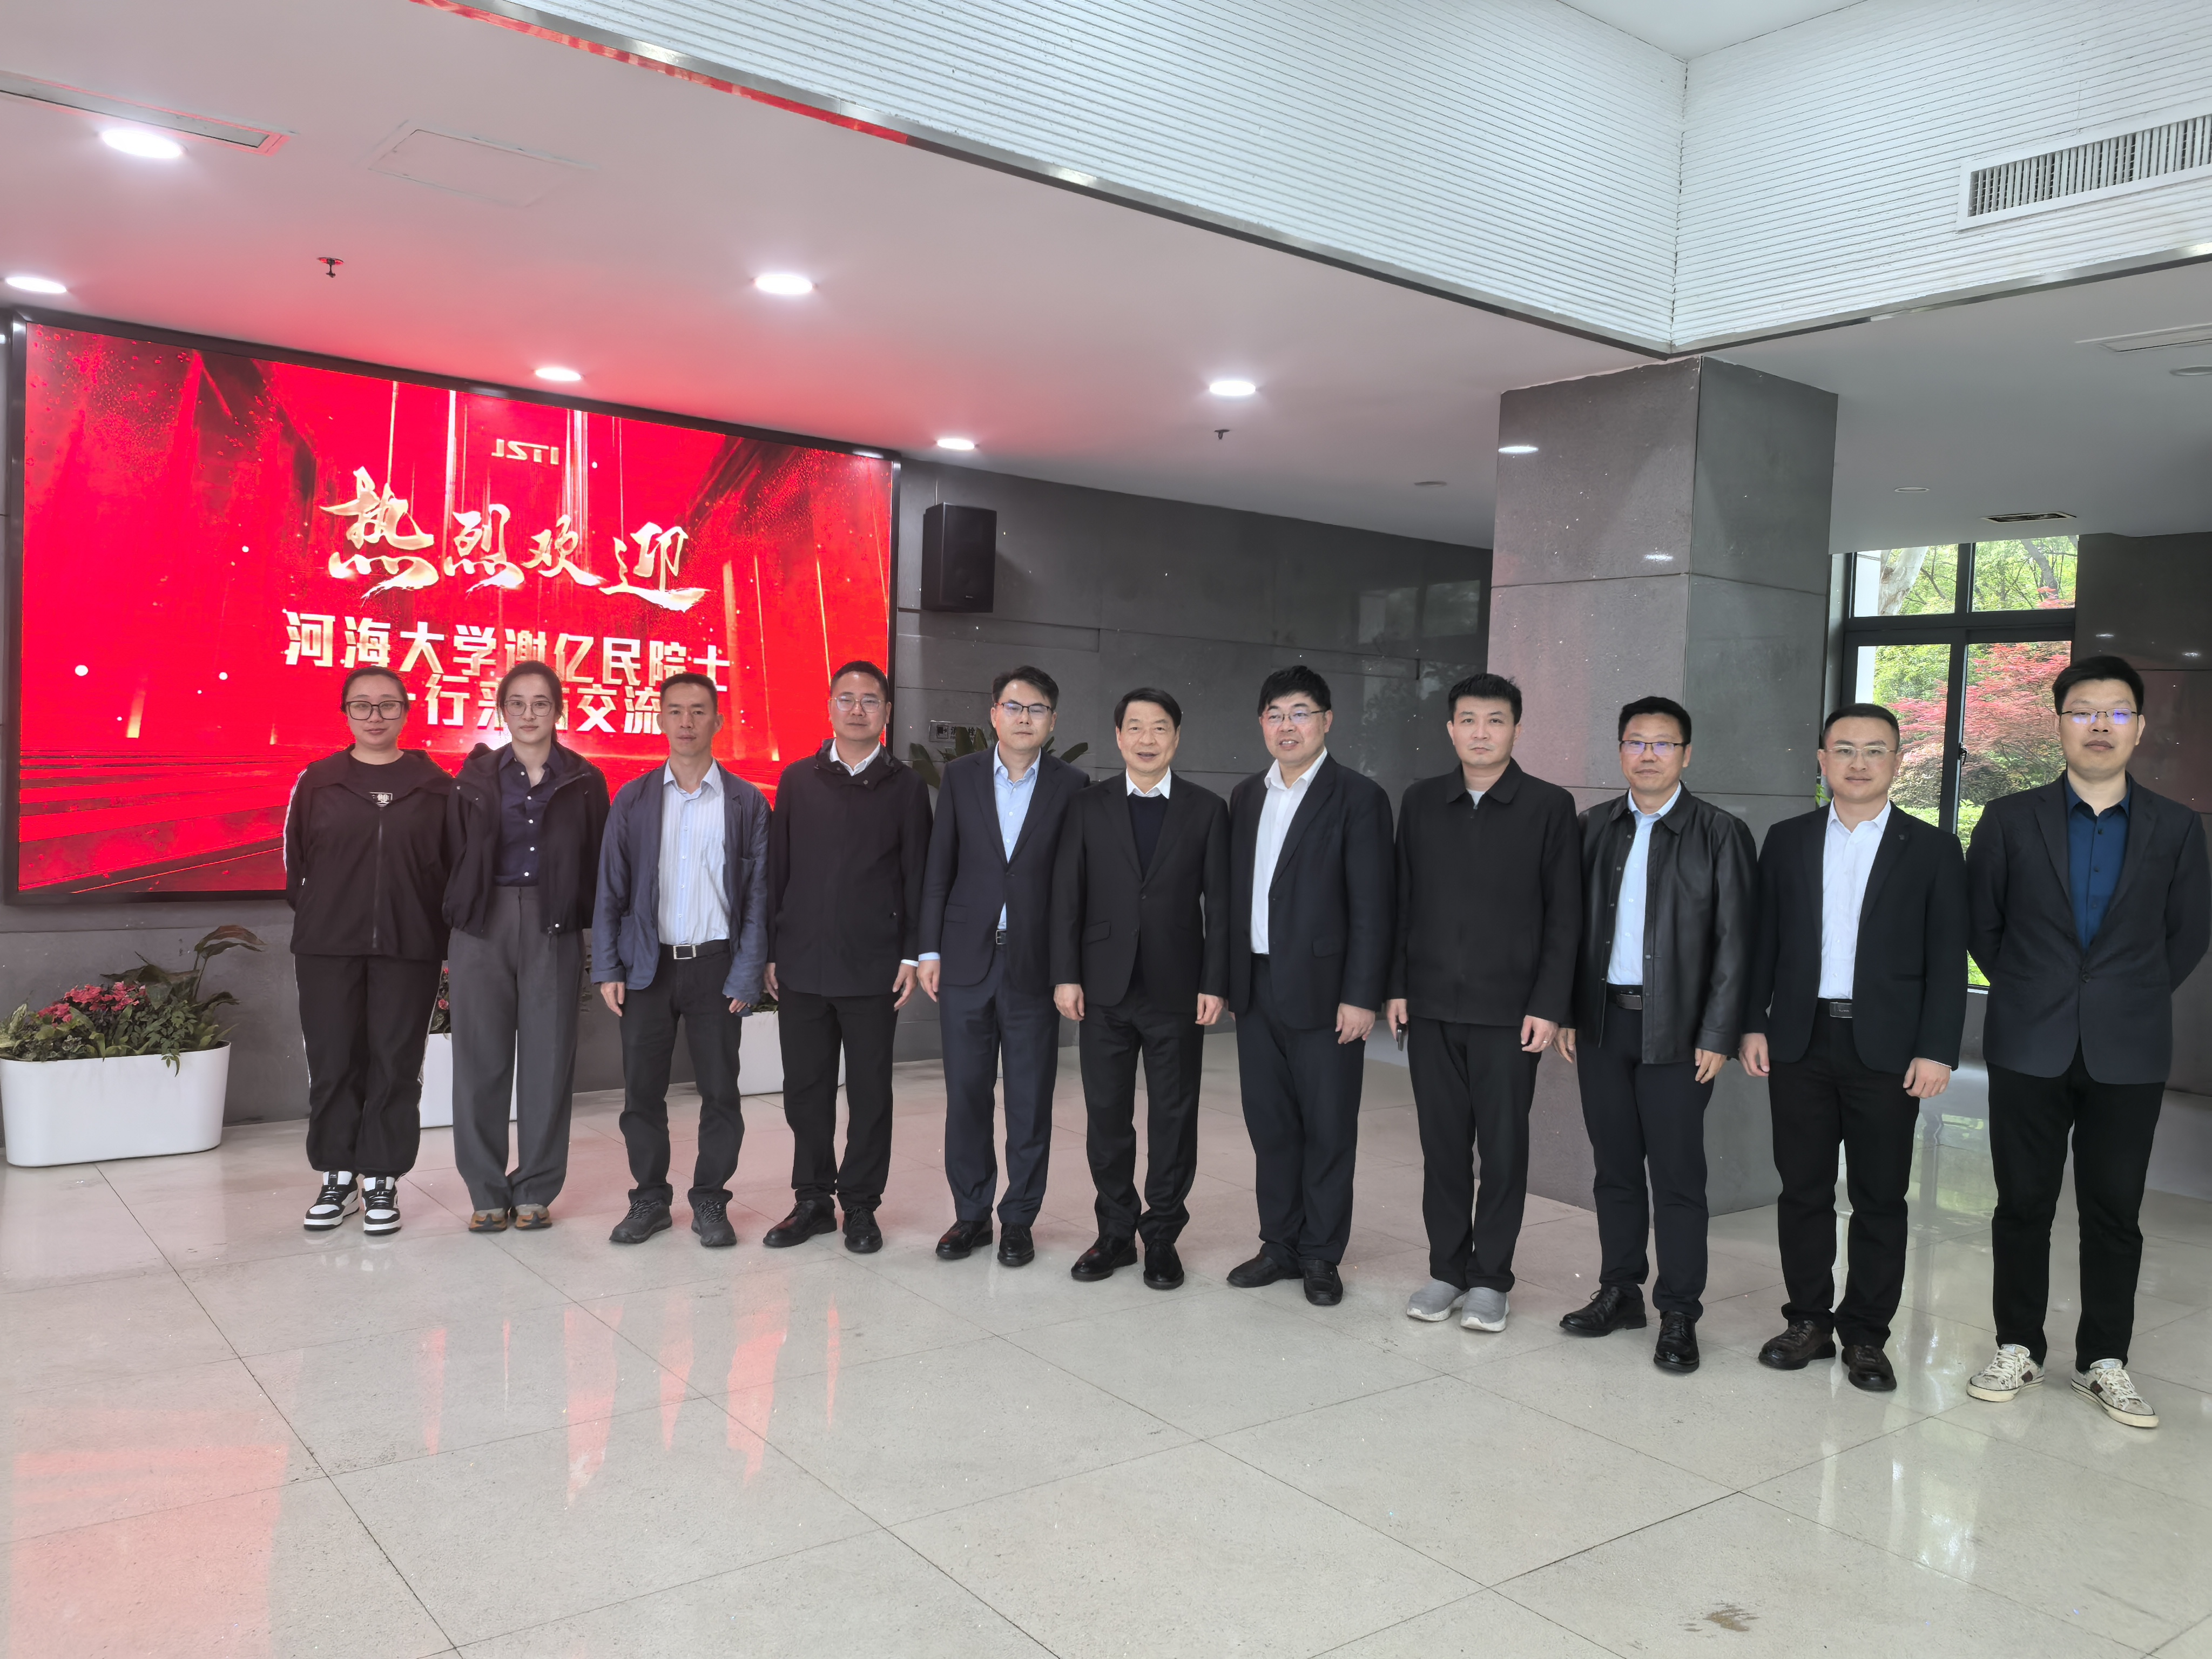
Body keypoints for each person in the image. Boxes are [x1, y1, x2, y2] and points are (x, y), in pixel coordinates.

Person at [1963, 655, 2209, 1429]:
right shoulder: (2008, 819)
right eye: (2083, 711)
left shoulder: (2177, 827)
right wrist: (2033, 988)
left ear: (2139, 727)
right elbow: (1982, 924)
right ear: (2059, 723)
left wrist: (2123, 994)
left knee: (2114, 1210)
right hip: (2027, 1040)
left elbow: (2187, 934)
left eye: (2116, 712)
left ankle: (2104, 1359)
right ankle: (2017, 1345)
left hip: (2128, 1048)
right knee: (2021, 1204)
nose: (2099, 725)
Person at [1738, 703, 1967, 1392]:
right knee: (1802, 1190)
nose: (1858, 763)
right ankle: (1808, 1320)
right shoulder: (1787, 840)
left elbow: (1946, 959)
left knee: (1879, 1198)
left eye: (1874, 750)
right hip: (1799, 1039)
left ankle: (1866, 1334)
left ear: (1897, 761)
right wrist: (1751, 1022)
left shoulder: (1931, 849)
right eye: (1843, 749)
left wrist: (1937, 1049)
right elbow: (1761, 942)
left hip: (1888, 1049)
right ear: (1821, 760)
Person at [1554, 695, 1755, 1373]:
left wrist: (1718, 1033)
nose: (1648, 754)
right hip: (1602, 1023)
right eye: (1635, 742)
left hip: (1679, 1032)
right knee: (1613, 1169)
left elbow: (1736, 944)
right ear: (1619, 752)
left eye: (1662, 743)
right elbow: (1566, 929)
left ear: (1686, 755)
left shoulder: (1720, 833)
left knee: (1676, 1175)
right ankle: (1620, 1292)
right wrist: (1568, 1011)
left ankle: (1678, 1311)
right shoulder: (1591, 827)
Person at [1386, 673, 1579, 1333]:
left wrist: (1549, 1004)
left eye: (1494, 721)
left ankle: (1491, 1278)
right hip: (1431, 1006)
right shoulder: (1421, 801)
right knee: (1441, 1149)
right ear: (1450, 729)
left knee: (1501, 1152)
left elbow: (1565, 916)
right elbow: (1401, 900)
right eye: (1467, 720)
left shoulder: (1548, 806)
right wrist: (1396, 986)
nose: (1480, 733)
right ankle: (1446, 1270)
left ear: (1516, 729)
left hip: (1509, 1013)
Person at [1224, 666, 1394, 1306]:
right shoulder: (1246, 795)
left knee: (1327, 1127)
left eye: (1299, 712)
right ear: (1261, 724)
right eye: (1274, 714)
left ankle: (1321, 1253)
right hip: (1256, 985)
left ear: (1326, 721)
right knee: (1270, 1125)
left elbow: (1373, 907)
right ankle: (1279, 1245)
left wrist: (1361, 995)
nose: (1286, 725)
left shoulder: (1358, 797)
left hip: (1327, 993)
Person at [1050, 687, 1230, 1290]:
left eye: (1159, 728)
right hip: (1103, 987)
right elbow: (1067, 895)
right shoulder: (1087, 805)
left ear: (1176, 737)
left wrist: (1215, 981)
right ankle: (1114, 1233)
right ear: (1119, 736)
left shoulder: (1207, 810)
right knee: (1107, 1116)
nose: (1147, 739)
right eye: (1135, 727)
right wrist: (1066, 974)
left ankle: (1162, 1237)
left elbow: (1221, 906)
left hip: (1177, 988)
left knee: (1173, 1117)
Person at [592, 672, 771, 1249]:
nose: (687, 722)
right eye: (675, 711)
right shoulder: (634, 798)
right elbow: (611, 889)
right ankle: (649, 1198)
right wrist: (608, 967)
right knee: (642, 1093)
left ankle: (711, 1200)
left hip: (717, 967)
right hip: (649, 967)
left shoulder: (746, 802)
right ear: (661, 719)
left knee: (721, 1091)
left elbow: (759, 897)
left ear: (718, 721)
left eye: (698, 711)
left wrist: (748, 971)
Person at [918, 666, 1088, 1266]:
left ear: (1052, 720)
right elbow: (939, 866)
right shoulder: (961, 777)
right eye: (1013, 707)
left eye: (1036, 709)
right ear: (994, 714)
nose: (1023, 718)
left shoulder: (1073, 785)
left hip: (1034, 966)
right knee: (966, 1095)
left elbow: (1076, 887)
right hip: (965, 960)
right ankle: (971, 1215)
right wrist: (930, 950)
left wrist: (1069, 969)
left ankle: (1018, 1218)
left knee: (1029, 1100)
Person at [762, 660, 932, 1256]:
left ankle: (860, 1205)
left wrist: (911, 955)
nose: (858, 709)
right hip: (802, 963)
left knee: (870, 1094)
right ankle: (812, 1201)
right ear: (829, 706)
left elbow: (918, 877)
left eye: (870, 700)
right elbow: (777, 871)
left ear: (887, 711)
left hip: (874, 967)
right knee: (805, 1090)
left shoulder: (906, 786)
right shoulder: (797, 779)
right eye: (846, 698)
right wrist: (772, 951)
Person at [286, 665, 455, 1236]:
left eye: (387, 705)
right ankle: (337, 1175)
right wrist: (328, 912)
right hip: (327, 945)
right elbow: (296, 864)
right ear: (346, 713)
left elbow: (450, 866)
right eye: (362, 705)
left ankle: (382, 1176)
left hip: (410, 945)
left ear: (406, 711)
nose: (374, 716)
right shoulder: (318, 781)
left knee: (396, 1062)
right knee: (332, 1061)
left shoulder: (436, 786)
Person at [442, 662, 610, 1233]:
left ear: (558, 711)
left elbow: (598, 859)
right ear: (502, 711)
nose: (529, 713)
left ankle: (536, 1188)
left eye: (541, 703)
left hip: (553, 925)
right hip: (481, 925)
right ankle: (486, 1191)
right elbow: (450, 854)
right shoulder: (473, 778)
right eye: (518, 703)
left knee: (548, 1061)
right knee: (479, 1062)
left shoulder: (584, 780)